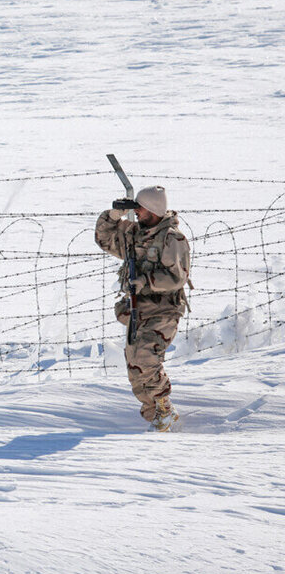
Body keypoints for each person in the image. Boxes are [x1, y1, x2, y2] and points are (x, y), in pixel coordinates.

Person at [95, 185, 191, 431]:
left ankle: (164, 410)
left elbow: (177, 277)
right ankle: (157, 415)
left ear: (154, 209)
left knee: (146, 358)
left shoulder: (172, 238)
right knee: (135, 366)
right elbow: (104, 239)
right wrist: (114, 216)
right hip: (138, 310)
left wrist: (146, 281)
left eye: (141, 208)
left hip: (163, 310)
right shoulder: (133, 234)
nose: (136, 212)